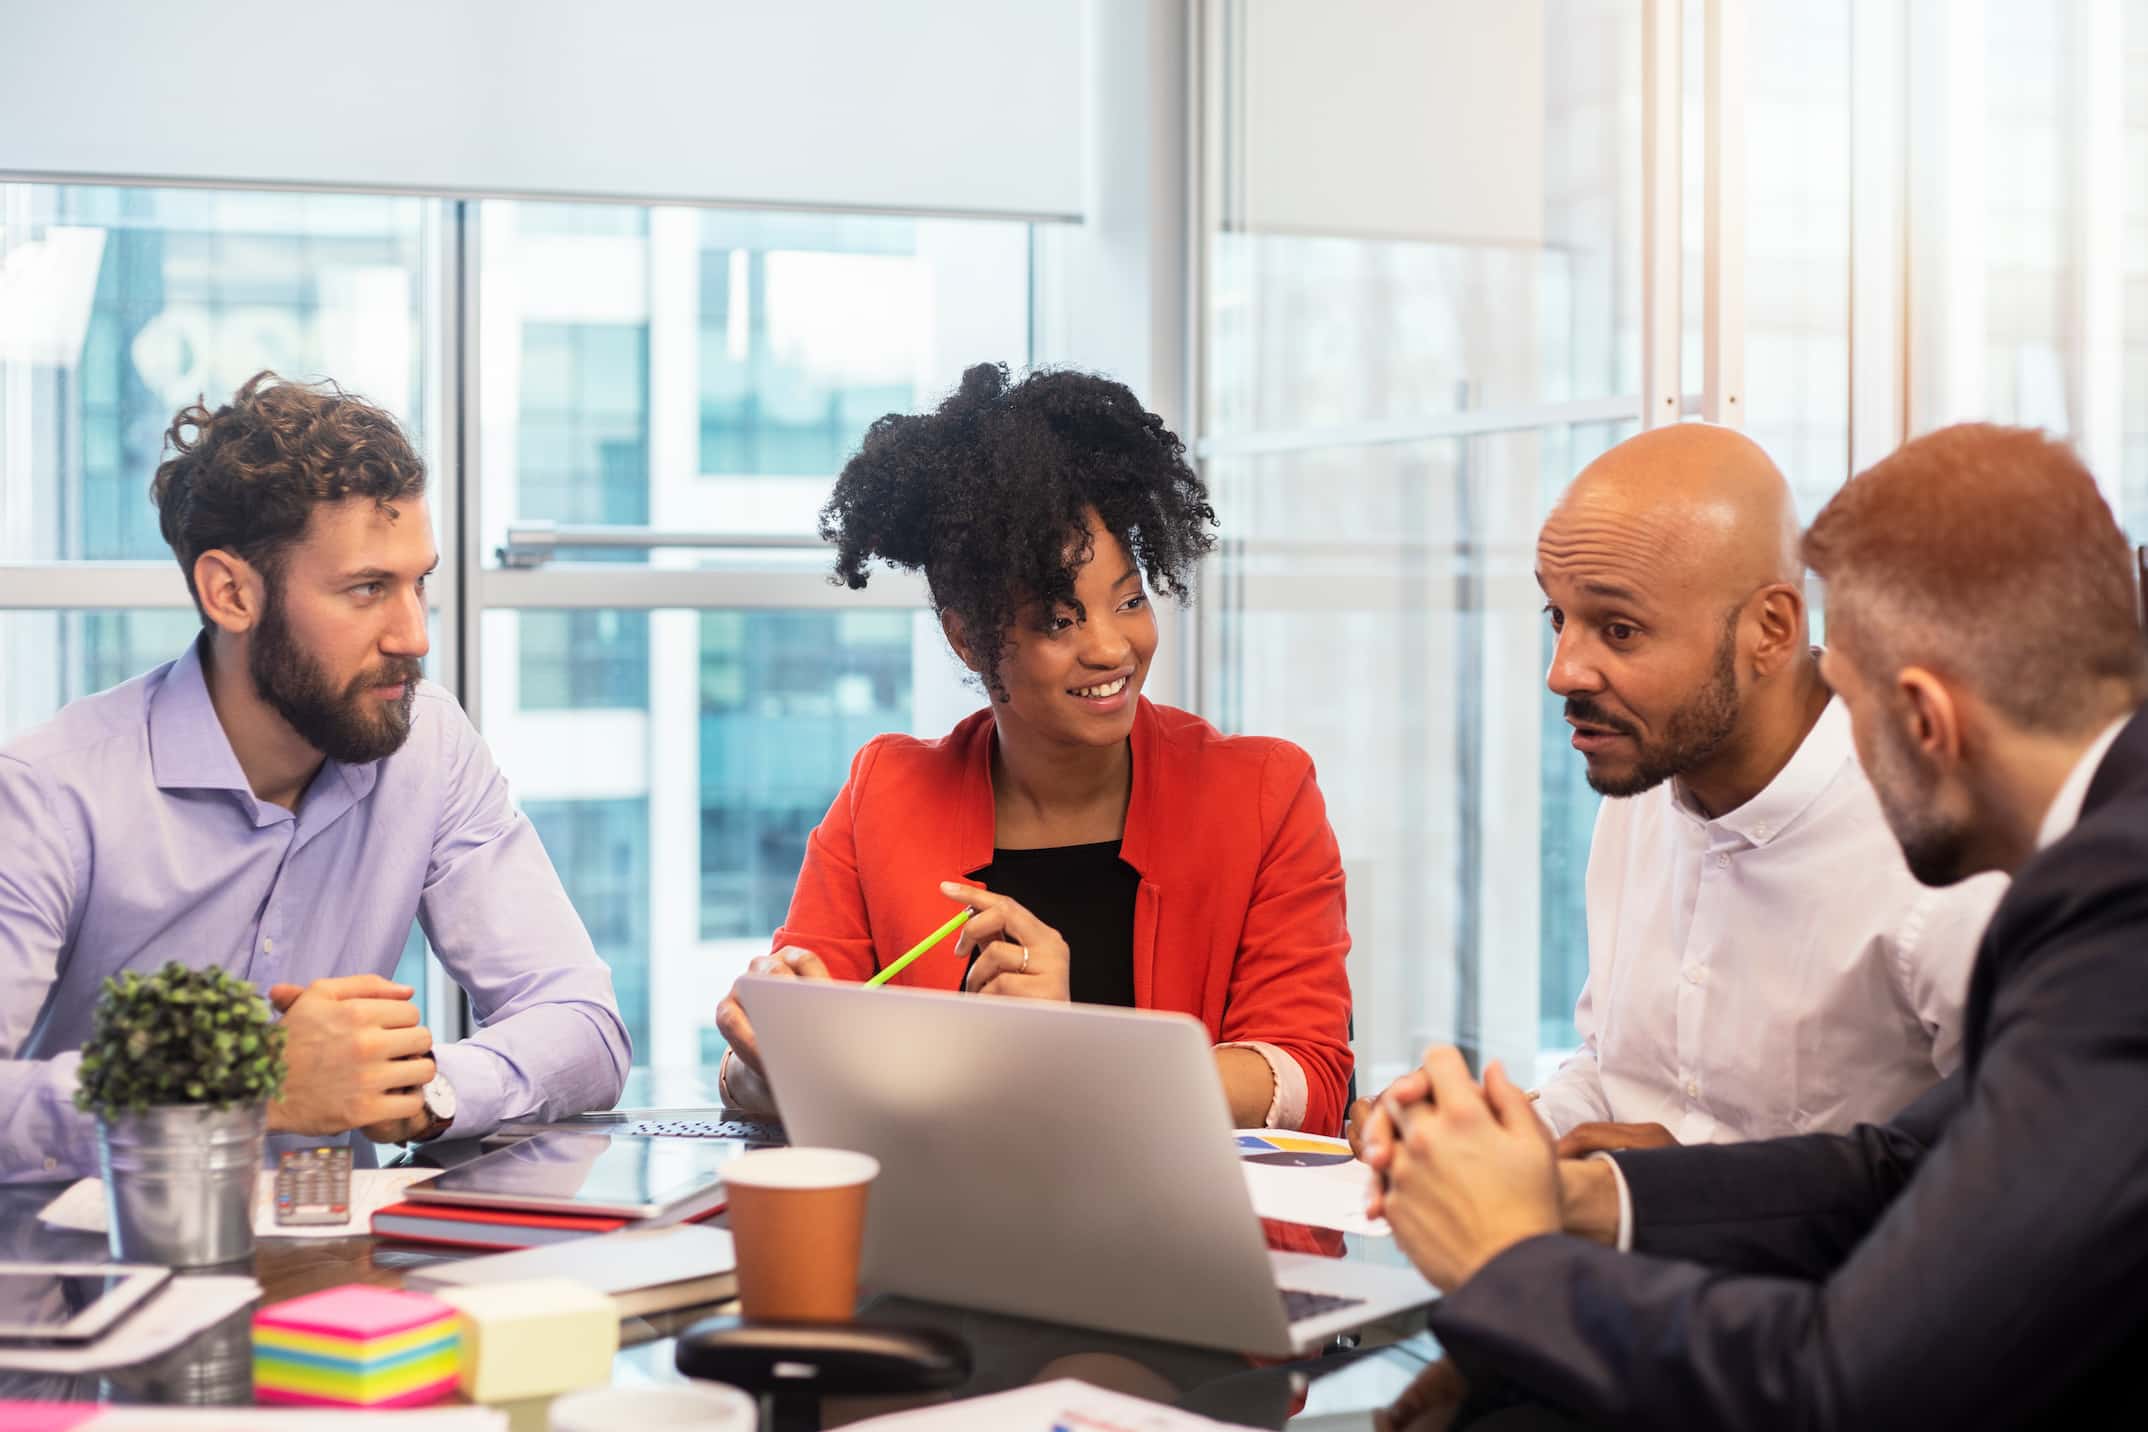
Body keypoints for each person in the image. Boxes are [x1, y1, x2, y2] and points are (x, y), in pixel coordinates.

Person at [1364, 423, 2148, 1429]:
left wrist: (1514, 1268)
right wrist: (1576, 1200)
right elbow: (1901, 1166)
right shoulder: (2109, 866)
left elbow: (1844, 1383)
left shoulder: (2112, 911)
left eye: (1849, 706)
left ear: (1925, 720)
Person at [0, 374, 629, 1182]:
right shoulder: (49, 793)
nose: (413, 635)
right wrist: (247, 1087)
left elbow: (583, 1022)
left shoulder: (427, 743)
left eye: (420, 582)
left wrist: (429, 1090)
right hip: (95, 1274)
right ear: (231, 593)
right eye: (367, 589)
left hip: (339, 1268)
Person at [715, 363, 1354, 1133]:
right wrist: (767, 1048)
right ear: (968, 639)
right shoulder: (885, 794)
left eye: (1129, 600)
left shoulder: (1261, 793)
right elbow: (778, 1063)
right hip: (949, 1235)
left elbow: (1309, 1080)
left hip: (1183, 1236)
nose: (1113, 647)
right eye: (1060, 621)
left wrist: (1073, 1050)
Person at [1348, 425, 2001, 1157]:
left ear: (1771, 630)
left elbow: (2005, 1186)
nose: (1562, 672)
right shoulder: (1646, 784)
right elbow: (1620, 1074)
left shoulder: (1945, 848)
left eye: (1619, 630)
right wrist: (1503, 1130)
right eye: (1557, 618)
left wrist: (1689, 1193)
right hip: (1624, 1259)